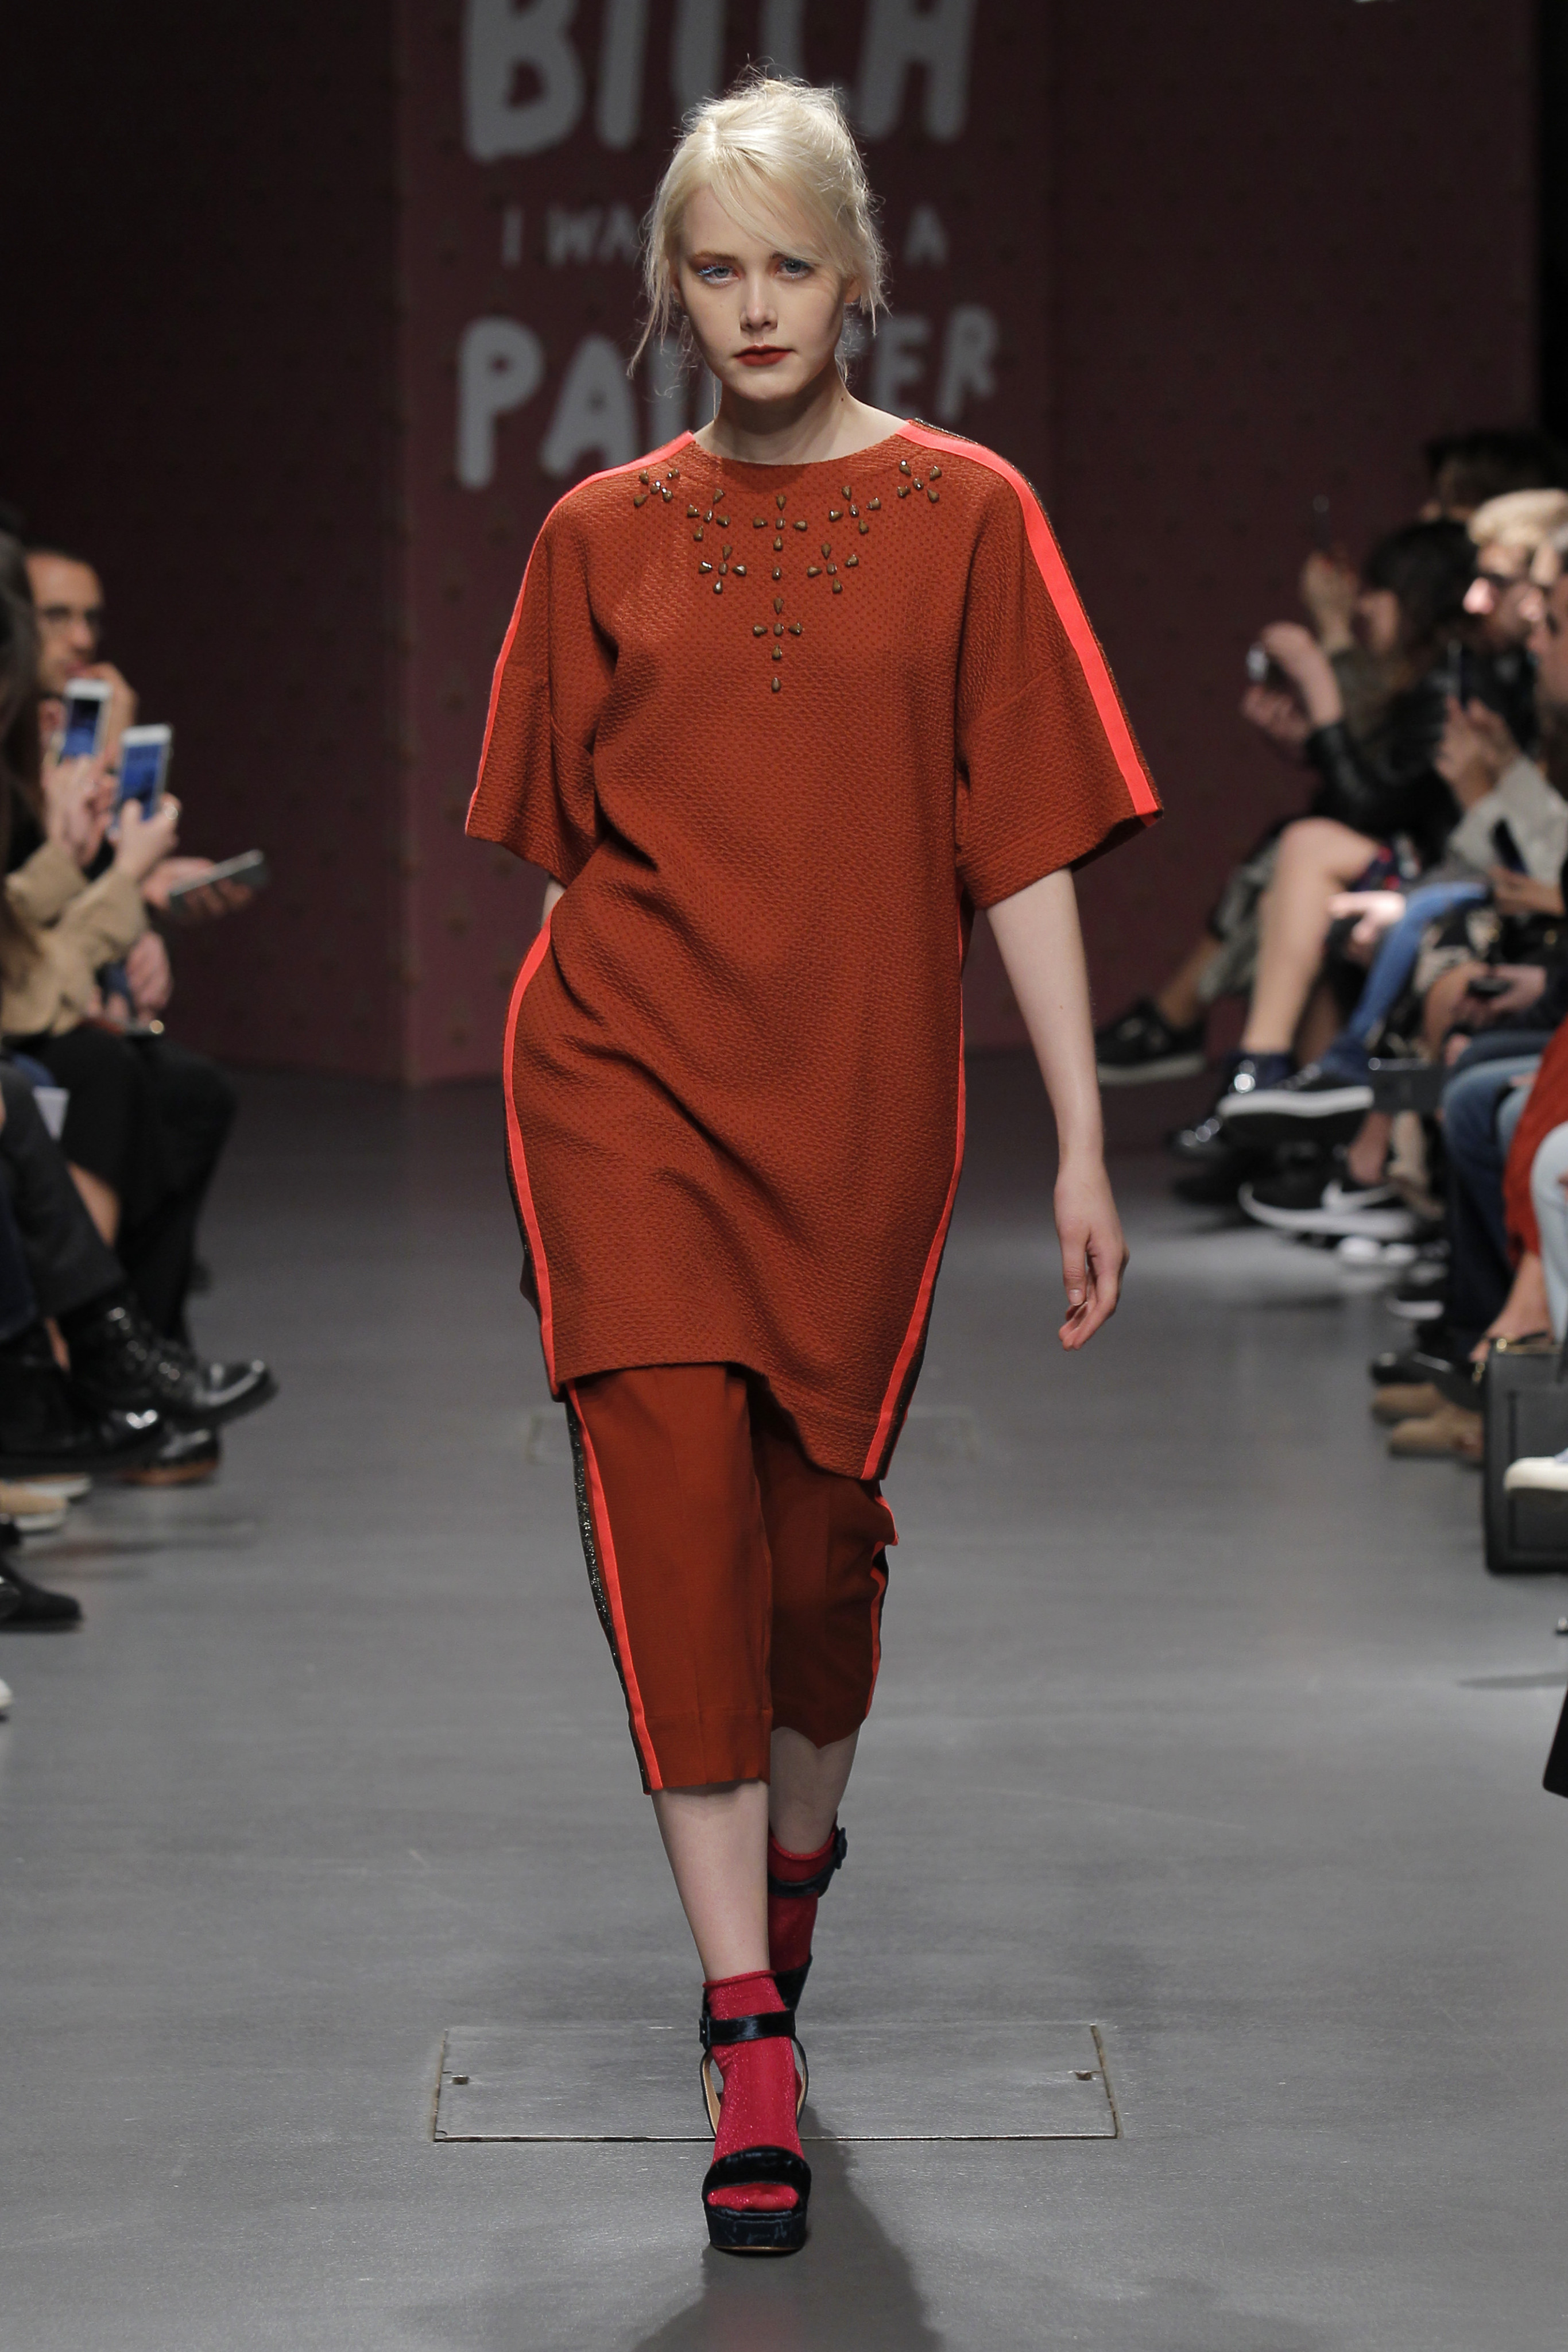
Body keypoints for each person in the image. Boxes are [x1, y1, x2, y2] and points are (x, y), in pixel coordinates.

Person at [466, 73, 1158, 2257]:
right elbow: (566, 866)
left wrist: (1081, 1138)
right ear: (667, 292)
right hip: (621, 1088)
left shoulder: (967, 514)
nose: (753, 306)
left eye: (788, 264)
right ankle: (743, 2023)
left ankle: (789, 1873)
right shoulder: (596, 535)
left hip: (854, 1104)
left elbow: (1021, 839)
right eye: (714, 268)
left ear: (856, 276)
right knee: (669, 1519)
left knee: (813, 1568)